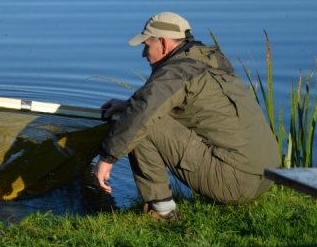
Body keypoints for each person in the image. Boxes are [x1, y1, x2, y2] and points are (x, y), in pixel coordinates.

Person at [94, 12, 280, 222]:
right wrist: (128, 104)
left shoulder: (175, 72)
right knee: (141, 113)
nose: (144, 54)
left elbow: (142, 115)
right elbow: (174, 102)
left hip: (236, 183)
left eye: (147, 45)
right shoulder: (207, 60)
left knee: (142, 124)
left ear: (163, 43)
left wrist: (107, 158)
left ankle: (163, 213)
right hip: (266, 176)